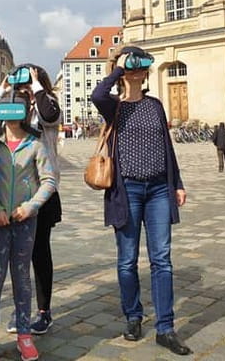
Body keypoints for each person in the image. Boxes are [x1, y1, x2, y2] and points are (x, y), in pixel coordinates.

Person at [91, 45, 191, 356]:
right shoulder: (114, 107)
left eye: (139, 65)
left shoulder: (156, 105)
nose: (136, 70)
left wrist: (178, 183)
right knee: (127, 259)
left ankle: (165, 327)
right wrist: (119, 69)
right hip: (128, 190)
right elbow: (97, 95)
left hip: (159, 188)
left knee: (162, 259)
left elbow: (167, 147)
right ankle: (133, 316)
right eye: (131, 65)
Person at [0, 65, 62, 335]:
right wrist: (2, 91)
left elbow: (51, 115)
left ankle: (43, 311)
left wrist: (36, 88)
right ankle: (20, 310)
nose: (23, 87)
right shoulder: (9, 105)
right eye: (21, 82)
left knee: (39, 253)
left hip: (41, 194)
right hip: (8, 194)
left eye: (29, 81)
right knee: (16, 261)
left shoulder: (43, 105)